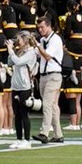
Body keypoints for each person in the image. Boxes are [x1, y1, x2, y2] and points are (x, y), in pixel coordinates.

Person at [33, 15, 65, 145]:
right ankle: (58, 134)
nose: (40, 30)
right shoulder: (43, 40)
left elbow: (47, 56)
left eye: (42, 27)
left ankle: (44, 133)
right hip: (44, 75)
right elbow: (38, 54)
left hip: (54, 75)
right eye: (39, 28)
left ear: (49, 25)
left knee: (46, 103)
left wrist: (37, 45)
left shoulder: (55, 39)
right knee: (52, 105)